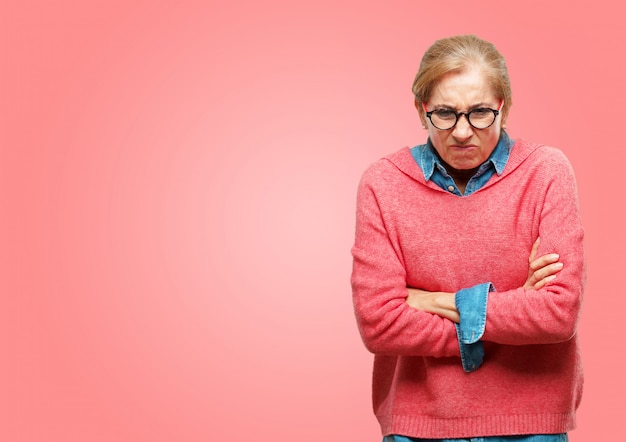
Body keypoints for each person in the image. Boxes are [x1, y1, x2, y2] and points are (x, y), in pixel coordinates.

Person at [350, 35, 585, 442]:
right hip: (418, 427)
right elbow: (379, 324)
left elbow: (557, 313)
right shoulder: (383, 183)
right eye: (444, 113)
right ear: (421, 110)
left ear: (504, 107)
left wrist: (430, 301)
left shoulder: (547, 172)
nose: (461, 132)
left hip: (532, 427)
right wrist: (510, 309)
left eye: (479, 113)